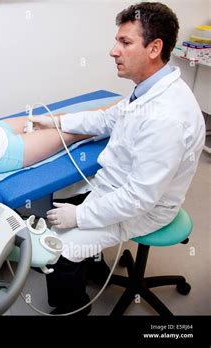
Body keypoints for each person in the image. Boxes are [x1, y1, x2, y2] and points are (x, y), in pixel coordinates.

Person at [31, 2, 206, 315]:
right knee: (64, 200)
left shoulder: (167, 117)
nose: (114, 51)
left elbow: (139, 198)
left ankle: (73, 308)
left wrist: (80, 217)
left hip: (145, 208)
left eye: (125, 43)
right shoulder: (148, 89)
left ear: (155, 48)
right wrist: (59, 122)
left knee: (59, 249)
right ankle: (94, 269)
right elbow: (108, 120)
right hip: (119, 188)